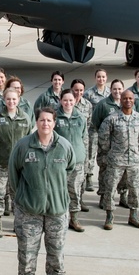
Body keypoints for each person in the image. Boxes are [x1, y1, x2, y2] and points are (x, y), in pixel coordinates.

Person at [8, 107, 75, 275]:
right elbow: (13, 175)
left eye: (49, 120)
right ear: (36, 122)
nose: (45, 124)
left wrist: (56, 191)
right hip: (29, 211)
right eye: (42, 120)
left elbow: (70, 170)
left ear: (55, 123)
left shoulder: (63, 146)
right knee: (27, 252)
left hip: (57, 210)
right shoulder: (23, 146)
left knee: (56, 252)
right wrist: (25, 198)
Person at [0, 87, 32, 237]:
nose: (11, 102)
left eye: (14, 99)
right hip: (0, 163)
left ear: (19, 100)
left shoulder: (25, 118)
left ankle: (17, 222)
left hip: (18, 165)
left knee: (16, 194)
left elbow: (28, 139)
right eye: (8, 99)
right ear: (4, 100)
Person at [97, 90, 139, 230]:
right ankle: (110, 216)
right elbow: (103, 137)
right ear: (121, 100)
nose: (128, 101)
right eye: (125, 98)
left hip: (134, 161)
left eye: (130, 98)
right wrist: (111, 151)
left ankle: (133, 215)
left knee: (134, 189)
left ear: (134, 100)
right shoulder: (112, 118)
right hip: (116, 160)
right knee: (110, 188)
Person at [54, 89, 88, 232]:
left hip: (78, 161)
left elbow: (84, 138)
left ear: (75, 101)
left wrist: (84, 156)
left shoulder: (80, 117)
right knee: (59, 190)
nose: (68, 103)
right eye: (65, 100)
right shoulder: (55, 117)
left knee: (75, 190)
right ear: (60, 101)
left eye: (71, 100)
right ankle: (59, 218)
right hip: (59, 161)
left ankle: (74, 218)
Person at [91, 79, 124, 205]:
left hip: (122, 147)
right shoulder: (103, 104)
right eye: (115, 89)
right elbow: (95, 121)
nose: (117, 91)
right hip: (106, 146)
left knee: (122, 173)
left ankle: (123, 196)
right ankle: (103, 196)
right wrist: (104, 139)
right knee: (105, 171)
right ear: (110, 90)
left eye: (119, 89)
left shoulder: (126, 103)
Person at [83, 68, 110, 192]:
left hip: (106, 130)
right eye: (99, 77)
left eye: (103, 77)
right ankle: (89, 177)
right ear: (95, 78)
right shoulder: (89, 93)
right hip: (93, 129)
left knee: (104, 155)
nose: (101, 79)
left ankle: (102, 181)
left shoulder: (110, 93)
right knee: (90, 153)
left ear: (106, 78)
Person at [69, 78, 92, 213]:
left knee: (81, 176)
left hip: (82, 144)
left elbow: (88, 126)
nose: (78, 93)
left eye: (81, 90)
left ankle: (79, 200)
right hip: (69, 146)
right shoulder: (67, 104)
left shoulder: (88, 105)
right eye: (76, 90)